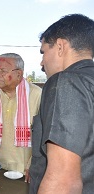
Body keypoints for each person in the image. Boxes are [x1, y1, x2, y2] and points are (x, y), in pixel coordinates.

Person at [29, 14, 94, 194]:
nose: (42, 63)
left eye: (43, 52)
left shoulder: (65, 82)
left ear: (60, 46)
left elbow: (63, 181)